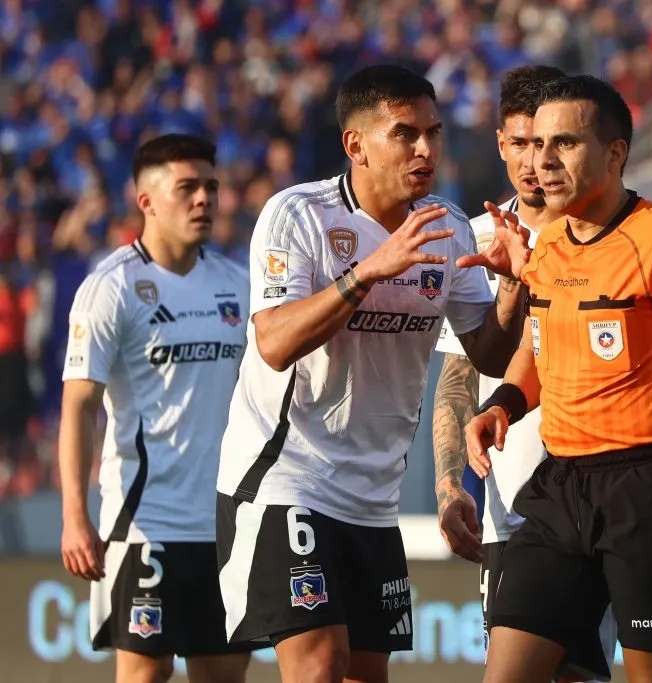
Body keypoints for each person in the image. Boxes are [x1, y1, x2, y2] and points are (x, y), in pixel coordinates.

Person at [214, 64, 527, 683]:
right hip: (286, 479)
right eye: (405, 134)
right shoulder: (297, 214)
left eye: (433, 133)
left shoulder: (447, 228)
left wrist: (514, 284)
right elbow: (273, 342)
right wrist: (367, 272)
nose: (425, 149)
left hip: (375, 499)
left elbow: (489, 356)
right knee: (319, 665)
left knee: (364, 675)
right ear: (355, 144)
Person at [461, 74, 652, 683]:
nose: (543, 161)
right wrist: (504, 405)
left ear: (615, 152)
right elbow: (541, 348)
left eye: (565, 143)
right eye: (536, 144)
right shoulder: (546, 247)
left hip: (648, 490)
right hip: (559, 486)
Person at [432, 64, 619, 683]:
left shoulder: (613, 232)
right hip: (508, 513)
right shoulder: (473, 239)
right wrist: (449, 484)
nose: (534, 162)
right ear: (500, 143)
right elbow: (458, 378)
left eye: (547, 144)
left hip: (600, 504)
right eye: (520, 143)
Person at [58, 133, 256, 683]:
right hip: (147, 522)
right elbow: (78, 406)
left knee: (224, 677)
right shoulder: (111, 288)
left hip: (226, 524)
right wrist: (74, 516)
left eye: (211, 186)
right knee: (146, 675)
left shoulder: (238, 286)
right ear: (146, 200)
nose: (204, 199)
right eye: (187, 187)